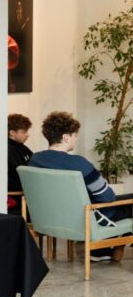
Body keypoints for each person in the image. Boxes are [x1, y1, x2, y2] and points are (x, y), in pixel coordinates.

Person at [28, 111, 127, 263]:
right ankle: (104, 248)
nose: (76, 139)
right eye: (75, 135)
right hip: (84, 219)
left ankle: (101, 251)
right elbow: (107, 197)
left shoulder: (35, 160)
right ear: (66, 137)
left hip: (51, 218)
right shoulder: (79, 163)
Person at [7, 114, 34, 214]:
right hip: (16, 196)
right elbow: (20, 174)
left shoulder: (22, 147)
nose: (28, 134)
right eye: (24, 131)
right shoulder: (8, 150)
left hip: (26, 193)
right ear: (12, 132)